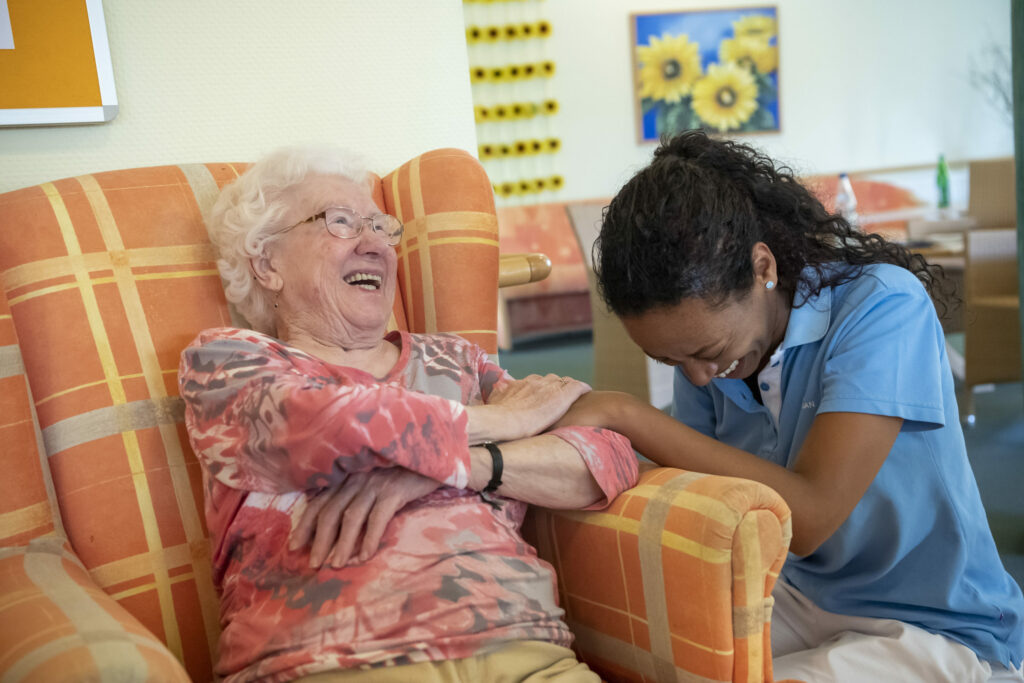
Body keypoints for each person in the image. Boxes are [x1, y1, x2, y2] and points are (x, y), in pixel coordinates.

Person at [553, 131, 1024, 682]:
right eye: (670, 360)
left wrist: (623, 415)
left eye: (707, 352)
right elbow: (703, 496)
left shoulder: (882, 307)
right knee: (635, 661)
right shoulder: (702, 357)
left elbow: (812, 517)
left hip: (933, 620)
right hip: (799, 594)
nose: (698, 376)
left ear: (763, 268)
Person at [178, 146, 638, 683]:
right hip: (330, 661)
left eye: (380, 226)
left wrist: (461, 465)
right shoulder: (229, 364)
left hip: (525, 650)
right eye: (341, 223)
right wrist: (503, 424)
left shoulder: (458, 360)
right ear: (266, 262)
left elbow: (605, 455)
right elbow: (338, 426)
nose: (375, 245)